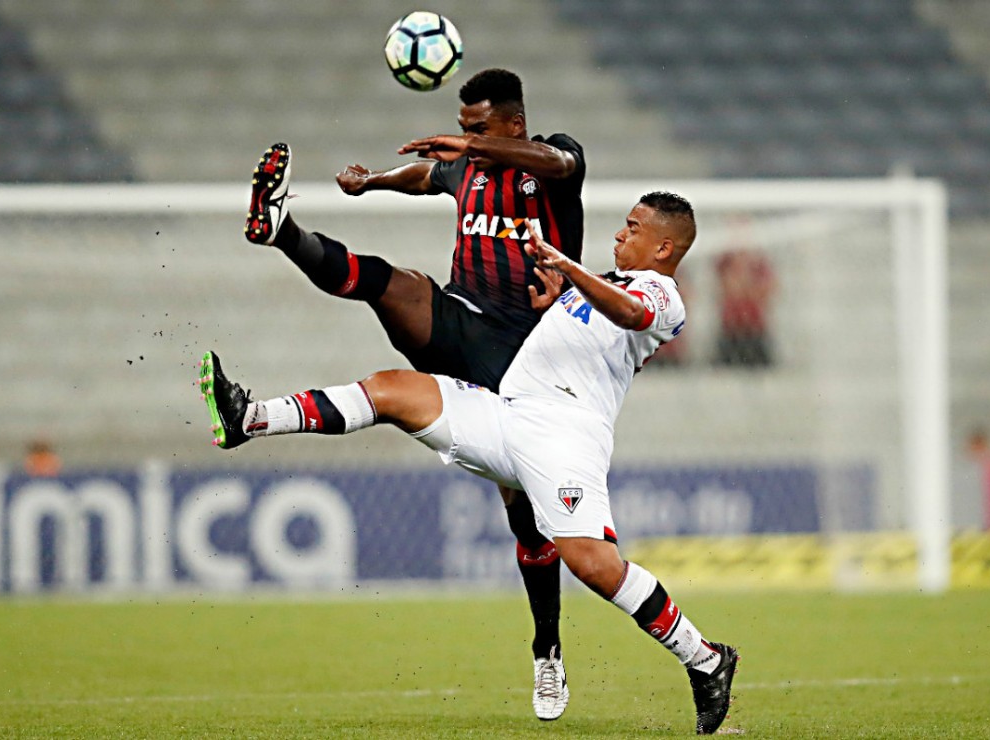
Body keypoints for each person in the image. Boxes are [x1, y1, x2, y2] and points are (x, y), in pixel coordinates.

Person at [200, 192, 739, 734]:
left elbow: (630, 313)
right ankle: (251, 418)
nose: (620, 234)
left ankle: (705, 659)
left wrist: (567, 269)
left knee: (594, 566)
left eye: (633, 227)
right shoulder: (603, 283)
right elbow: (595, 327)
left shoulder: (662, 294)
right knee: (391, 390)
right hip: (507, 413)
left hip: (564, 436)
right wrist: (558, 298)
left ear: (664, 247)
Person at [240, 68, 585, 719]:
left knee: (527, 519)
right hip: (460, 320)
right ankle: (281, 229)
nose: (465, 139)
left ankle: (548, 652)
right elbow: (426, 177)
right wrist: (371, 182)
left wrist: (472, 148)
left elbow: (558, 161)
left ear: (513, 123)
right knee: (387, 283)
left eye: (478, 128)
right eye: (462, 127)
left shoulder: (553, 162)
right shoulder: (467, 169)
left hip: (529, 357)